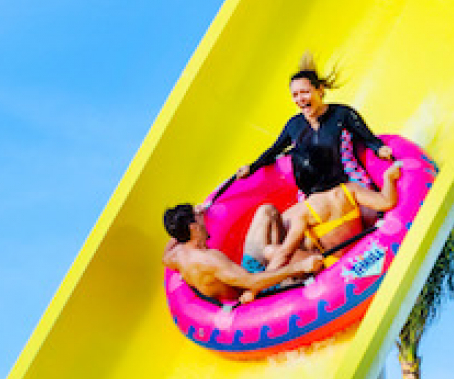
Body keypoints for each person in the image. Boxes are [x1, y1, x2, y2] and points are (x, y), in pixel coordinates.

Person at [236, 57, 395, 187]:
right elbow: (275, 150)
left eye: (305, 92)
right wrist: (252, 167)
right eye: (295, 95)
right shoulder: (294, 125)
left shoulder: (342, 114)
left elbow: (369, 139)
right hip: (315, 190)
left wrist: (380, 149)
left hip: (350, 181)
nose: (300, 99)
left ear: (320, 90)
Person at [257, 142, 402, 271]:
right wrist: (388, 178)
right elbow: (387, 202)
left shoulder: (305, 211)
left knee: (271, 251)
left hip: (333, 264)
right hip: (360, 248)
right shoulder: (349, 189)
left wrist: (263, 282)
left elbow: (285, 254)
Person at [162, 204, 321, 306]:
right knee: (302, 258)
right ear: (193, 228)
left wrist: (181, 229)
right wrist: (299, 267)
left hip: (245, 272)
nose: (201, 215)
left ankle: (281, 251)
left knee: (267, 211)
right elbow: (252, 282)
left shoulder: (176, 255)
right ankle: (288, 255)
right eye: (197, 215)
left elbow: (164, 257)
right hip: (254, 292)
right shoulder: (210, 260)